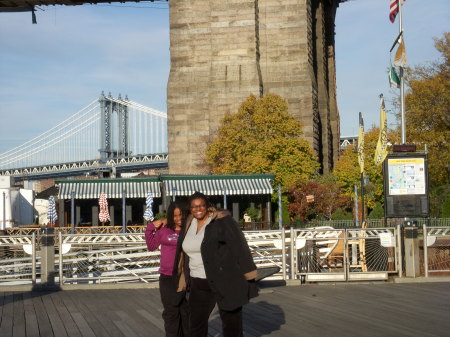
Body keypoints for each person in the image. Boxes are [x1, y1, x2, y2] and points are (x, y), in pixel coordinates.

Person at [173, 192, 258, 337]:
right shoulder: (189, 222)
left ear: (207, 206)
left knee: (231, 325)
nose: (197, 209)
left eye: (201, 205)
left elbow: (239, 246)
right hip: (197, 282)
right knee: (195, 324)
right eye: (194, 206)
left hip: (224, 279)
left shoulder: (221, 221)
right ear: (190, 208)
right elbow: (181, 249)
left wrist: (249, 274)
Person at [145, 202, 189, 337]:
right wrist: (151, 227)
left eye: (181, 215)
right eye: (175, 216)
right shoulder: (164, 229)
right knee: (171, 311)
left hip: (185, 276)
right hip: (167, 276)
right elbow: (151, 246)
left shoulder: (189, 230)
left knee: (185, 311)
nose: (178, 218)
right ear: (170, 216)